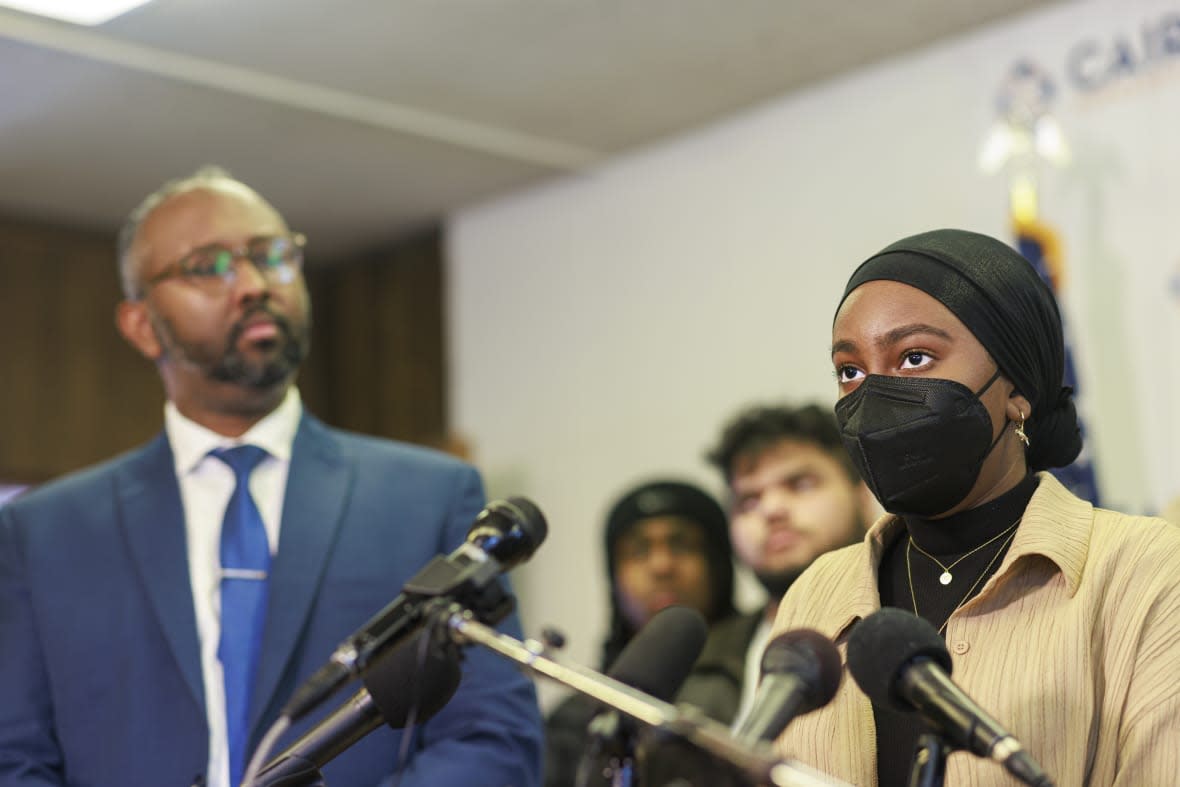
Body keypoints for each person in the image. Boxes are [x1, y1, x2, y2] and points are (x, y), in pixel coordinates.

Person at [0, 166, 543, 787]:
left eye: (273, 256)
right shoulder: (42, 533)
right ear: (141, 325)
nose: (254, 284)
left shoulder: (428, 498)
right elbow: (14, 759)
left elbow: (491, 738)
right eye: (209, 267)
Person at [771, 228, 1180, 786]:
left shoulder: (1145, 569)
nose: (873, 399)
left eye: (914, 357)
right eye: (851, 371)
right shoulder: (816, 594)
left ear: (1016, 391)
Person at [688, 404, 875, 728]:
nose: (772, 510)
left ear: (862, 493)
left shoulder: (918, 619)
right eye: (748, 501)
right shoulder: (701, 661)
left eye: (800, 484)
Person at [543, 479, 736, 787]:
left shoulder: (762, 669)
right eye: (638, 551)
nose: (661, 566)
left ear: (717, 563)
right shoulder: (576, 718)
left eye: (681, 544)